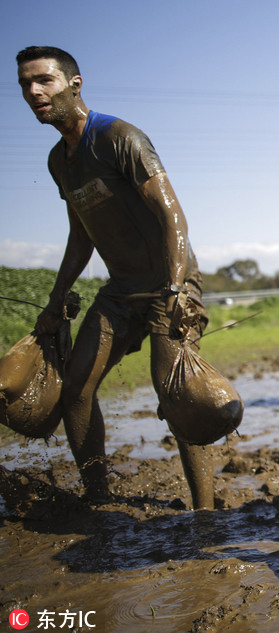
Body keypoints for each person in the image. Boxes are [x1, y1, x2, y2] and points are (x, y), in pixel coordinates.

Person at [16, 47, 215, 508]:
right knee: (76, 391)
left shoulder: (119, 137)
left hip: (169, 283)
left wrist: (174, 291)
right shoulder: (58, 161)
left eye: (44, 80)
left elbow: (173, 218)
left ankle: (205, 514)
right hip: (121, 291)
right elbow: (80, 235)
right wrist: (55, 299)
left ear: (74, 83)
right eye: (25, 84)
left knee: (177, 395)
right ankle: (99, 502)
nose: (33, 92)